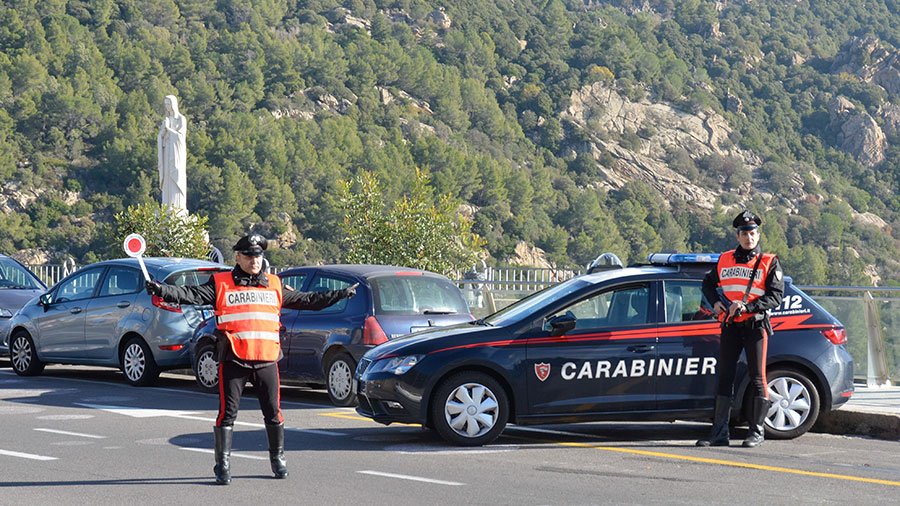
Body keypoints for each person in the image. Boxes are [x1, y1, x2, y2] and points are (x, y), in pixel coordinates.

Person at [145, 233, 357, 484]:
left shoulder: (274, 284)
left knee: (273, 413)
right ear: (238, 257)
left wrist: (339, 295)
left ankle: (277, 459)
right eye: (249, 255)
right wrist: (162, 290)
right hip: (234, 359)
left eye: (258, 255)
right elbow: (191, 294)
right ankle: (222, 465)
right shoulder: (221, 283)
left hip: (266, 359)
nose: (254, 260)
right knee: (227, 414)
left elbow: (308, 300)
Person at [697, 210, 784, 448]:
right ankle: (719, 433)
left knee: (758, 377)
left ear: (758, 235)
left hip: (755, 325)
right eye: (745, 233)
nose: (749, 238)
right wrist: (715, 302)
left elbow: (776, 296)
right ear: (738, 236)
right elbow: (707, 283)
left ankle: (756, 432)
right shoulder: (724, 259)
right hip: (730, 325)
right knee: (725, 377)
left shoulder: (769, 261)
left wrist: (748, 306)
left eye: (753, 233)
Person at [157, 95, 187, 214]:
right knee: (167, 176)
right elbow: (161, 136)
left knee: (176, 175)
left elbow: (180, 136)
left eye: (169, 104)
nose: (167, 107)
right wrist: (163, 132)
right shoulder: (167, 119)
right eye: (166, 104)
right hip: (167, 152)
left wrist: (168, 129)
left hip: (176, 154)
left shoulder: (181, 119)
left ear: (174, 104)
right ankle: (166, 205)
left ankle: (177, 206)